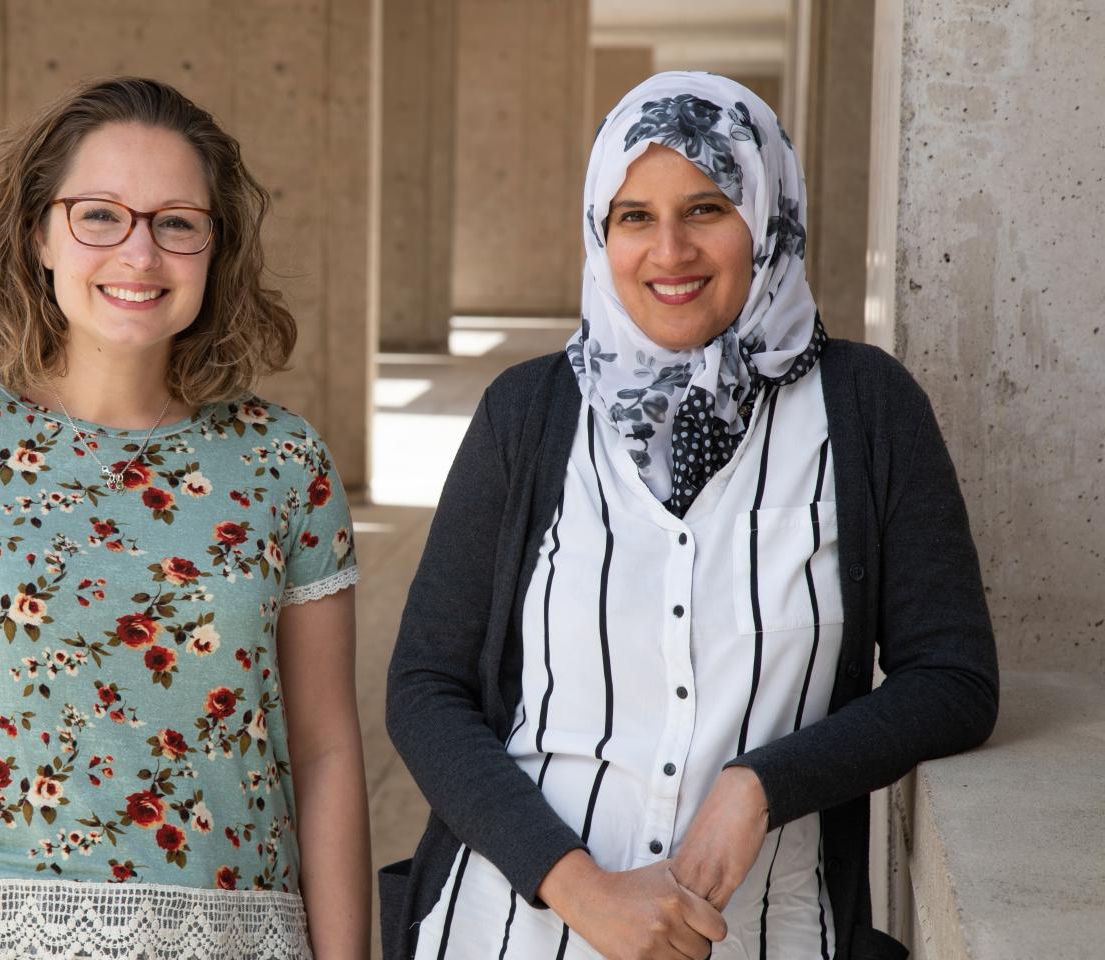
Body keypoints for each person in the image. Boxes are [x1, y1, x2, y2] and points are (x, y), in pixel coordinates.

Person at [382, 72, 997, 960]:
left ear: (767, 215)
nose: (669, 250)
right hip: (512, 930)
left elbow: (954, 679)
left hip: (768, 931)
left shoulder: (866, 409)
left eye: (707, 207)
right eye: (635, 216)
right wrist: (577, 886)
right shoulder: (528, 413)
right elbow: (425, 690)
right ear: (601, 232)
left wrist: (760, 785)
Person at [0, 77, 370, 960]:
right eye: (100, 215)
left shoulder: (284, 463)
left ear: (214, 249)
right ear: (39, 233)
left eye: (177, 221)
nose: (140, 253)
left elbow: (328, 753)